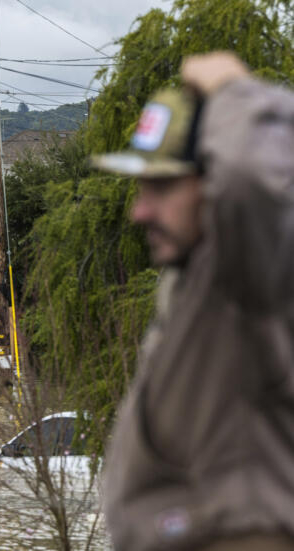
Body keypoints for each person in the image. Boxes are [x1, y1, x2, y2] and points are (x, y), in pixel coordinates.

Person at [92, 52, 294, 551]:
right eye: (140, 186)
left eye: (162, 186)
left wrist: (233, 89)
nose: (139, 211)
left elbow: (252, 177)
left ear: (214, 188)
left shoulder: (249, 269)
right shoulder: (197, 282)